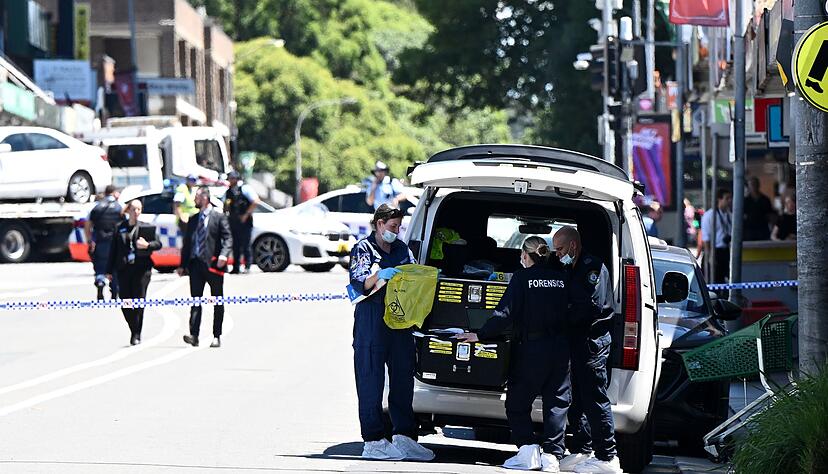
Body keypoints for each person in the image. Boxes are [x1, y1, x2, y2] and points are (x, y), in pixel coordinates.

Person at [455, 237, 571, 472]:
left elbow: (504, 314)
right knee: (556, 404)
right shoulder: (563, 278)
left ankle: (527, 451)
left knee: (518, 403)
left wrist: (480, 335)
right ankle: (552, 457)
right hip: (561, 349)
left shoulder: (522, 278)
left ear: (526, 256)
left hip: (532, 350)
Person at [348, 204, 434, 462]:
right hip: (372, 320)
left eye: (398, 227)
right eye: (391, 227)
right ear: (378, 224)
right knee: (371, 379)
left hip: (399, 319)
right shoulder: (364, 249)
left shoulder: (401, 249)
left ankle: (404, 437)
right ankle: (373, 440)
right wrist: (380, 275)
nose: (395, 232)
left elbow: (414, 274)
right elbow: (360, 283)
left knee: (403, 379)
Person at [552, 227, 622, 474]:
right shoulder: (569, 267)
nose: (557, 255)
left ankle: (607, 457)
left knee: (595, 399)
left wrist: (557, 318)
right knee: (578, 399)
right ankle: (583, 450)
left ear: (572, 246)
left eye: (560, 250)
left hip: (591, 343)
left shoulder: (591, 268)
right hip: (578, 342)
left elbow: (587, 307)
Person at [177, 186, 233, 348]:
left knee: (217, 301)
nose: (195, 200)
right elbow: (187, 244)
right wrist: (182, 265)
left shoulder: (219, 217)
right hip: (195, 266)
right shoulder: (194, 219)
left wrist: (224, 255)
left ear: (205, 198)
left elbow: (228, 238)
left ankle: (217, 335)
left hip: (214, 265)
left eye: (197, 197)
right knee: (195, 301)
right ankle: (194, 335)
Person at [107, 199, 161, 345]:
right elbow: (113, 249)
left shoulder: (146, 227)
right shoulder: (120, 228)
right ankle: (133, 326)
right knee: (125, 300)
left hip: (142, 269)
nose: (136, 212)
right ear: (128, 211)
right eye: (134, 209)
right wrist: (109, 270)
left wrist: (147, 245)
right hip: (124, 268)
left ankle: (136, 333)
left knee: (138, 300)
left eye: (139, 209)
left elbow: (158, 244)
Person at [84, 185, 123, 300]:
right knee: (115, 267)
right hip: (114, 243)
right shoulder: (119, 207)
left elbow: (87, 225)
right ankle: (114, 290)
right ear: (114, 193)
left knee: (100, 267)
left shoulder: (96, 207)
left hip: (100, 241)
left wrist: (89, 240)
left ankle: (100, 283)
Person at [223, 170, 260, 273]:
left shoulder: (245, 188)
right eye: (230, 178)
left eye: (232, 178)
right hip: (233, 222)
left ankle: (247, 266)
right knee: (235, 245)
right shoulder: (228, 191)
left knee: (246, 245)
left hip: (245, 222)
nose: (231, 180)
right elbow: (225, 205)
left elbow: (256, 201)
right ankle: (236, 267)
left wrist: (246, 215)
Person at [701, 189, 733, 283]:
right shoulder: (710, 215)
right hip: (715, 251)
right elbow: (706, 238)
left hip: (726, 251)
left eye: (730, 198)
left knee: (725, 280)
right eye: (727, 198)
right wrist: (710, 255)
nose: (729, 201)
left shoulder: (729, 215)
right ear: (719, 199)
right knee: (714, 280)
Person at [743, 177, 774, 241]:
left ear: (758, 185)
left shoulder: (765, 199)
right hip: (749, 231)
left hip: (763, 230)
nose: (753, 186)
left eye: (755, 184)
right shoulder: (745, 200)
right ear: (748, 186)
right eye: (751, 184)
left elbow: (770, 214)